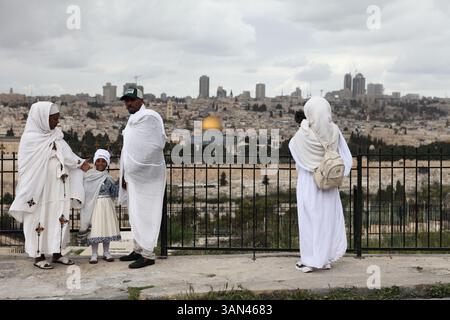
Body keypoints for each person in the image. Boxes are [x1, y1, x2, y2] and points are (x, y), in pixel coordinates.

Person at [9, 101, 89, 269]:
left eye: (57, 118)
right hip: (39, 190)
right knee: (39, 218)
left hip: (58, 188)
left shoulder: (56, 135)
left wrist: (80, 163)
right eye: (52, 119)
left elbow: (68, 155)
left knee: (59, 217)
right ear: (42, 119)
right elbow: (27, 166)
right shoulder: (30, 139)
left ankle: (57, 252)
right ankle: (38, 256)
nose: (56, 122)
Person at [289, 97, 352, 273]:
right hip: (329, 184)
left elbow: (295, 153)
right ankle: (324, 259)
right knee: (327, 221)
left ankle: (310, 260)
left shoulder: (302, 136)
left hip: (310, 183)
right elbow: (346, 158)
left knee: (309, 221)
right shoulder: (334, 131)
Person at [118, 88, 166, 269]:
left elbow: (154, 146)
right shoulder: (132, 120)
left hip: (147, 178)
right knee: (135, 214)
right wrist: (125, 173)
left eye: (131, 100)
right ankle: (138, 249)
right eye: (126, 101)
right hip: (133, 178)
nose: (128, 104)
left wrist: (135, 170)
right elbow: (129, 149)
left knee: (146, 214)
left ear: (140, 100)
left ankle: (147, 254)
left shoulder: (150, 117)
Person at [79, 149, 121, 264]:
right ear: (95, 162)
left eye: (103, 161)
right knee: (95, 229)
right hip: (94, 206)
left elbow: (114, 193)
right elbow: (85, 191)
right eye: (98, 161)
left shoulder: (108, 178)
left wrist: (119, 182)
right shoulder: (88, 176)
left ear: (107, 163)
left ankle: (107, 252)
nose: (101, 163)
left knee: (105, 228)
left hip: (107, 206)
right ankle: (94, 254)